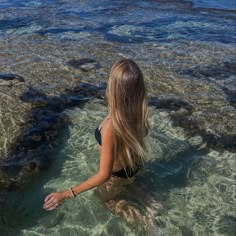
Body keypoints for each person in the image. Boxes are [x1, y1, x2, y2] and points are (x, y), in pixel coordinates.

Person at [43, 58, 153, 228]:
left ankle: (143, 222)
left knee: (103, 201)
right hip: (134, 168)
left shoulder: (111, 125)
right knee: (130, 188)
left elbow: (104, 175)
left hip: (116, 177)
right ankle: (149, 205)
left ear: (113, 88)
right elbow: (142, 134)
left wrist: (65, 194)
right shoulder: (138, 112)